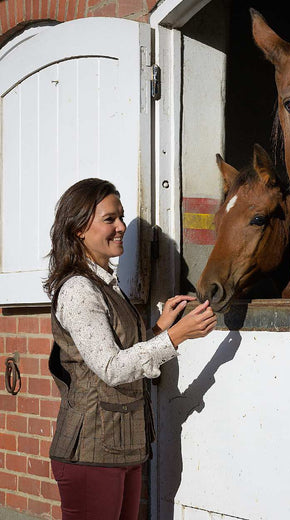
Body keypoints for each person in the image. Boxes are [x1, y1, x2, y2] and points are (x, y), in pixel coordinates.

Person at [44, 178, 217, 520]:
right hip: (90, 451)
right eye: (110, 219)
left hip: (119, 446)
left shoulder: (105, 284)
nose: (122, 227)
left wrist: (159, 328)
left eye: (121, 217)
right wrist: (175, 337)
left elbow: (120, 350)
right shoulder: (79, 289)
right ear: (79, 228)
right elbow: (111, 367)